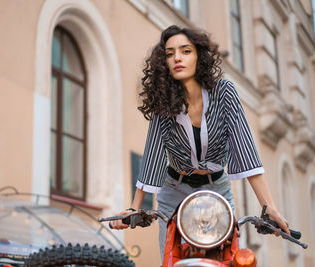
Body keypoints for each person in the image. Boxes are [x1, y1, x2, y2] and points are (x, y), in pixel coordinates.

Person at [110, 25, 290, 259]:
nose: (177, 58)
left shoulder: (224, 92)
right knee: (171, 258)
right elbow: (153, 156)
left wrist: (270, 209)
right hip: (174, 189)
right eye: (169, 53)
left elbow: (245, 150)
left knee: (226, 257)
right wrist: (135, 208)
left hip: (217, 189)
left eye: (185, 51)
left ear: (199, 56)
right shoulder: (163, 102)